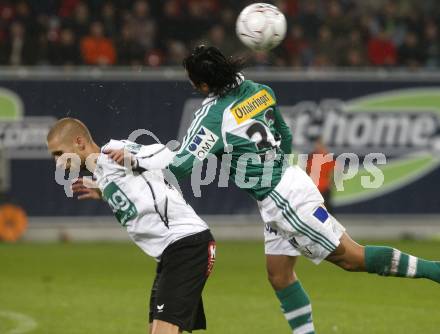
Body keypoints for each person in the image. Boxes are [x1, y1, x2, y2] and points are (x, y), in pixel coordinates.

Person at [89, 46, 440, 334]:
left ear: (204, 86)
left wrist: (135, 156)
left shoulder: (213, 115)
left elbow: (181, 163)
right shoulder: (258, 90)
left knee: (351, 258)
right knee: (279, 274)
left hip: (281, 198)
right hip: (284, 181)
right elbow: (285, 137)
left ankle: (435, 270)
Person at [47, 118, 216, 334]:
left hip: (187, 245)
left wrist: (134, 159)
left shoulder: (113, 150)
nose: (58, 162)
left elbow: (166, 153)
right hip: (171, 254)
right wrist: (102, 191)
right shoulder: (102, 172)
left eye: (59, 154)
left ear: (79, 142)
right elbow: (136, 189)